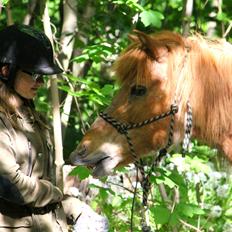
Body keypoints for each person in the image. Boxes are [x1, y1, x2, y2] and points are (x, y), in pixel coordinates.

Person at [0, 24, 70, 232]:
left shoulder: (33, 117)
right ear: (5, 70)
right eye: (34, 74)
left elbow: (43, 183)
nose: (40, 82)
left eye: (43, 76)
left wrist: (75, 208)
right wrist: (55, 193)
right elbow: (11, 186)